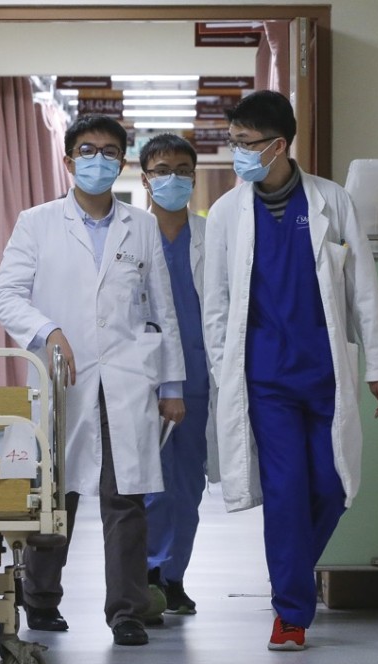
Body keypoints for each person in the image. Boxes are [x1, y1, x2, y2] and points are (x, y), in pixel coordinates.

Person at [201, 91, 378, 651]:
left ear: (279, 145)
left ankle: (289, 572)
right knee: (286, 490)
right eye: (234, 142)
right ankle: (291, 612)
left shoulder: (332, 201)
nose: (237, 153)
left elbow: (363, 288)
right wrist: (224, 372)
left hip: (325, 370)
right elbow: (216, 303)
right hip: (264, 378)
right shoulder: (226, 213)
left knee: (332, 487)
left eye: (245, 143)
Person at [0, 114, 186, 646]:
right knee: (57, 495)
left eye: (108, 151)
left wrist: (172, 385)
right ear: (68, 159)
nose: (97, 160)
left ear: (121, 163)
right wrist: (47, 330)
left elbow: (162, 309)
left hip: (127, 378)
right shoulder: (36, 222)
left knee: (126, 498)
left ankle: (126, 611)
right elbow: (6, 295)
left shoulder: (140, 225)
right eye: (87, 150)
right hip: (64, 381)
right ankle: (40, 599)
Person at [138, 133, 215, 618]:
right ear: (145, 179)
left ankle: (173, 577)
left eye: (183, 170)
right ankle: (145, 573)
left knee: (187, 486)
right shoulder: (130, 234)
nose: (174, 179)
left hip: (198, 378)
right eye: (163, 170)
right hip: (142, 379)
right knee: (147, 482)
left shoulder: (210, 235)